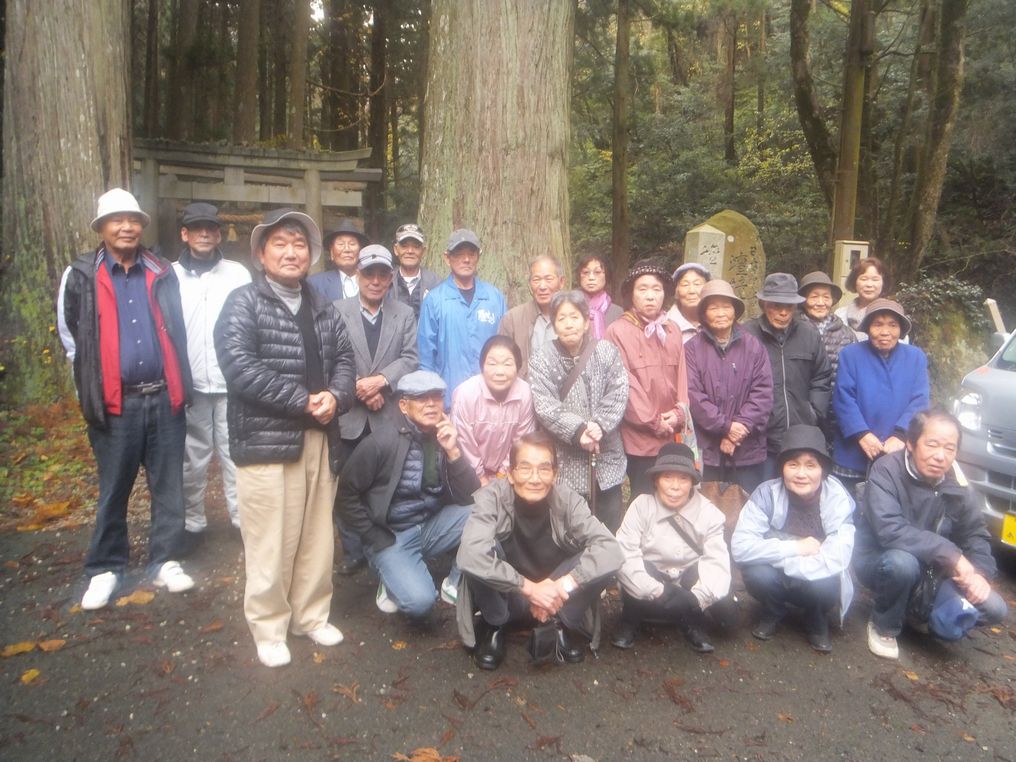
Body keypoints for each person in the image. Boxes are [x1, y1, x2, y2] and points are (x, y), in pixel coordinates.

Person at [215, 208, 356, 667]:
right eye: (281, 243)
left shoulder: (321, 304)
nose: (291, 252)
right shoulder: (243, 302)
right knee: (270, 537)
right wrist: (302, 400)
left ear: (311, 255)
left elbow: (346, 361)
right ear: (260, 253)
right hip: (267, 441)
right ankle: (269, 626)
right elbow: (239, 368)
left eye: (299, 245)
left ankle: (311, 616)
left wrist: (335, 396)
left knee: (317, 534)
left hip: (319, 436)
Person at [59, 188, 195, 610]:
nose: (126, 226)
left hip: (164, 396)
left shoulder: (161, 270)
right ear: (101, 228)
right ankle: (105, 566)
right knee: (114, 487)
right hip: (116, 404)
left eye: (133, 219)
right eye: (116, 220)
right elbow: (71, 338)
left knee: (169, 484)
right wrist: (92, 393)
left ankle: (165, 559)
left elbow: (176, 326)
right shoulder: (80, 274)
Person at [456, 432, 623, 670]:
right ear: (511, 474)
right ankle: (495, 625)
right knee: (480, 552)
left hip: (556, 599)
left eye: (544, 469)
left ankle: (560, 625)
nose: (535, 478)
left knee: (601, 560)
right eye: (525, 468)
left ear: (554, 474)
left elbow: (611, 550)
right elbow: (469, 554)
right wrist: (529, 589)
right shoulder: (491, 498)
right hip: (509, 596)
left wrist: (562, 585)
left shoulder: (568, 500)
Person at [854, 410, 1008, 660]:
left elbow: (975, 534)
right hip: (881, 558)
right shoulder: (886, 471)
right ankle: (884, 625)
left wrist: (979, 574)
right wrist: (951, 555)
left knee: (995, 608)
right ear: (912, 445)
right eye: (932, 444)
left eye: (950, 448)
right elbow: (889, 530)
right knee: (902, 564)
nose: (940, 456)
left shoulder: (958, 484)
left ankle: (925, 618)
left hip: (934, 572)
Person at [338, 371, 481, 618]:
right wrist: (373, 537)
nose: (431, 405)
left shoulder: (443, 437)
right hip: (392, 535)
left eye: (436, 398)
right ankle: (388, 575)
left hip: (430, 528)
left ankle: (453, 583)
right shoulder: (381, 442)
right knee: (421, 603)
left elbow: (471, 496)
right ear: (403, 406)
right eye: (421, 398)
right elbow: (346, 495)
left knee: (483, 512)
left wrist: (453, 452)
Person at [332, 244, 419, 575]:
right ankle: (353, 550)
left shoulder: (403, 313)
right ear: (358, 275)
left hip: (388, 413)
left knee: (386, 482)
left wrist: (382, 380)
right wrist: (361, 388)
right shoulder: (337, 311)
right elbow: (331, 357)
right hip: (351, 415)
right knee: (348, 483)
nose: (376, 280)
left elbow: (410, 358)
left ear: (390, 277)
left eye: (383, 274)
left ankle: (384, 545)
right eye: (369, 273)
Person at [731, 425, 856, 653]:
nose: (801, 474)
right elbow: (740, 547)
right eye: (793, 464)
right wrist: (797, 547)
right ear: (782, 469)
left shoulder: (838, 499)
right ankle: (773, 609)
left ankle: (815, 618)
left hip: (815, 577)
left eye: (811, 465)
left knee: (826, 582)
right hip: (784, 571)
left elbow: (837, 557)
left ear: (823, 470)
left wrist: (777, 556)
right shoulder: (766, 494)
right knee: (757, 573)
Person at [172, 202, 251, 550]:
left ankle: (241, 520)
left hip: (232, 381)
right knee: (194, 455)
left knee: (236, 453)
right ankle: (192, 522)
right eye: (197, 228)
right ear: (185, 234)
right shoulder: (169, 275)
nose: (204, 233)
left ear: (219, 234)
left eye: (210, 228)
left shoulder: (237, 273)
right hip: (190, 382)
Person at [613, 443, 739, 653]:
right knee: (637, 567)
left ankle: (693, 621)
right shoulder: (641, 506)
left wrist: (695, 599)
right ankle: (630, 619)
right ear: (656, 480)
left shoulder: (709, 513)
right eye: (668, 477)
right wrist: (657, 590)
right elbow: (625, 553)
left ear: (692, 483)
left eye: (683, 478)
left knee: (726, 615)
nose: (675, 486)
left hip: (689, 581)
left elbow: (716, 561)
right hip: (650, 581)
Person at [529, 291, 629, 533]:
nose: (569, 323)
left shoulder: (605, 351)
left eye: (574, 317)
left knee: (608, 526)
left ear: (586, 322)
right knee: (569, 526)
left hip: (605, 457)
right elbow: (544, 404)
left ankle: (608, 569)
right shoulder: (542, 358)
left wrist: (599, 426)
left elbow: (619, 390)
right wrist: (579, 430)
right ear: (554, 325)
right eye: (561, 318)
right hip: (566, 457)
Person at [605, 260, 690, 498]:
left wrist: (679, 413)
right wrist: (654, 421)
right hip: (639, 437)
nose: (650, 296)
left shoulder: (672, 329)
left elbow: (682, 375)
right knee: (643, 496)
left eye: (657, 289)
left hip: (672, 431)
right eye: (642, 289)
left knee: (672, 495)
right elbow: (624, 384)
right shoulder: (617, 331)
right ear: (631, 294)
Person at [831, 299, 929, 494]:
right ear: (867, 328)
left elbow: (920, 399)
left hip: (898, 450)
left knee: (890, 509)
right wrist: (862, 434)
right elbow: (843, 398)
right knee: (849, 509)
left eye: (893, 325)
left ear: (901, 329)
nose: (885, 332)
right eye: (878, 324)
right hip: (854, 450)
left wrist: (901, 435)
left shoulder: (915, 357)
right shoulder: (850, 355)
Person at [685, 280, 773, 495]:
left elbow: (763, 392)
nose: (721, 313)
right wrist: (725, 427)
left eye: (726, 306)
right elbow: (693, 395)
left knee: (745, 507)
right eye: (713, 308)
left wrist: (738, 430)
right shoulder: (691, 349)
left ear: (735, 311)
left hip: (747, 448)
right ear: (704, 314)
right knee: (706, 508)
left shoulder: (753, 346)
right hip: (708, 448)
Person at [744, 273, 832, 478]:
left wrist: (813, 412)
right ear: (763, 304)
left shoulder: (808, 333)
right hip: (760, 437)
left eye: (789, 306)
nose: (783, 312)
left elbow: (822, 377)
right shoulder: (747, 335)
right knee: (764, 495)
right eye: (776, 305)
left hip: (800, 433)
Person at [417, 229, 507, 406]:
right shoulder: (435, 300)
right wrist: (433, 400)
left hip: (492, 400)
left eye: (471, 253)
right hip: (450, 400)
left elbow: (506, 348)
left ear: (478, 256)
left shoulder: (494, 297)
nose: (466, 259)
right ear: (447, 258)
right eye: (459, 254)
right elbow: (426, 358)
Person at [451, 335, 536, 486]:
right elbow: (464, 442)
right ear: (482, 366)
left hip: (508, 474)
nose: (500, 372)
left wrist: (502, 475)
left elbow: (521, 439)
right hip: (468, 472)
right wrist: (481, 478)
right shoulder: (466, 393)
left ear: (518, 367)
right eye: (492, 363)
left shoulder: (525, 393)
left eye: (507, 364)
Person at [497, 255, 565, 378]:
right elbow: (501, 361)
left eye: (549, 279)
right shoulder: (512, 319)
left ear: (561, 282)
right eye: (536, 280)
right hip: (525, 394)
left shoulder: (573, 318)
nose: (542, 286)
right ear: (529, 284)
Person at [797, 271, 856, 377]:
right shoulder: (791, 329)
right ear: (803, 301)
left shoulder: (847, 335)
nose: (820, 303)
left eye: (826, 297)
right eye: (814, 297)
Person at [307, 219, 369, 301]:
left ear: (361, 251)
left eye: (352, 244)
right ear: (332, 252)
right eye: (341, 244)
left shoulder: (374, 281)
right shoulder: (315, 283)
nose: (347, 249)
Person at [389, 223, 441, 318]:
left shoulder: (436, 284)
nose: (410, 251)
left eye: (416, 247)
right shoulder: (386, 282)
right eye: (404, 246)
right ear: (396, 250)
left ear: (423, 251)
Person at [835, 256, 890, 340]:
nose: (869, 284)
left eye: (875, 280)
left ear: (883, 283)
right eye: (864, 279)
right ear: (854, 282)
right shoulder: (840, 314)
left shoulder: (893, 314)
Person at [574, 253, 623, 339]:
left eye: (597, 272)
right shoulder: (570, 306)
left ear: (607, 275)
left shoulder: (618, 312)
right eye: (585, 272)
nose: (591, 277)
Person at [666, 262, 711, 344]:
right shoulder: (664, 326)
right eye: (685, 285)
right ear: (676, 291)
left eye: (697, 284)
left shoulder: (716, 322)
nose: (691, 291)